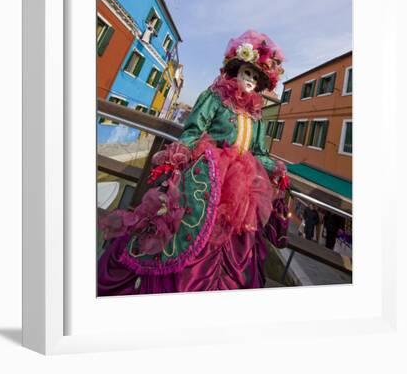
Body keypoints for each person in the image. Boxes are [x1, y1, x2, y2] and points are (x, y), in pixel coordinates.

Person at [98, 30, 290, 295]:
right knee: (182, 229)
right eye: (247, 72)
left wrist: (275, 168)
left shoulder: (256, 116)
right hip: (208, 175)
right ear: (237, 71)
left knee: (235, 241)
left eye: (255, 77)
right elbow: (193, 131)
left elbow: (258, 152)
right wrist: (176, 157)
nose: (250, 80)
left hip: (242, 188)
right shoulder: (215, 98)